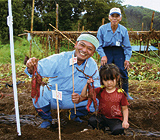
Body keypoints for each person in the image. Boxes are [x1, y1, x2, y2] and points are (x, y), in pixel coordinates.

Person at [25, 32, 100, 128]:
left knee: (98, 99)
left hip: (76, 99)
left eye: (90, 49)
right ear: (76, 44)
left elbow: (96, 89)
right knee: (41, 91)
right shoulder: (60, 58)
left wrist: (82, 98)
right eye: (82, 45)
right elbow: (37, 69)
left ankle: (73, 114)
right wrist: (31, 66)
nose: (84, 50)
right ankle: (47, 119)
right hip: (57, 97)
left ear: (93, 53)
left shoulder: (92, 65)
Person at [79, 63, 129, 135]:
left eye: (112, 80)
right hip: (102, 117)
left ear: (117, 78)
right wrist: (87, 84)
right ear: (102, 80)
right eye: (106, 80)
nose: (109, 83)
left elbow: (125, 108)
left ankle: (109, 132)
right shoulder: (100, 90)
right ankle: (101, 129)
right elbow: (84, 95)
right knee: (92, 120)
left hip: (115, 119)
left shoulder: (120, 94)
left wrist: (125, 121)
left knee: (118, 130)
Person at [96, 7, 133, 100]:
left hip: (118, 51)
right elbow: (98, 45)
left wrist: (127, 59)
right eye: (113, 16)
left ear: (120, 18)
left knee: (122, 69)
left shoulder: (123, 30)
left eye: (117, 16)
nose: (115, 18)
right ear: (109, 17)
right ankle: (102, 92)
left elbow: (127, 46)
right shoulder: (102, 29)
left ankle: (125, 93)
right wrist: (103, 55)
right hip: (106, 50)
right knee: (104, 70)